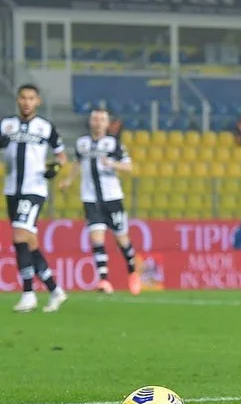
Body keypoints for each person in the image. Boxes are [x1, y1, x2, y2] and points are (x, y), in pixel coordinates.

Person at [1, 84, 68, 312]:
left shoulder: (45, 127)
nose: (27, 102)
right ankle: (55, 290)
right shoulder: (6, 125)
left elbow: (61, 154)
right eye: (23, 98)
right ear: (18, 100)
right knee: (29, 242)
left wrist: (56, 168)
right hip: (12, 189)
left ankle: (28, 293)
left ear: (37, 101)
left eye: (31, 98)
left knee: (19, 236)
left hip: (34, 188)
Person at [60, 108, 141, 295]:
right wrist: (68, 181)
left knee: (122, 240)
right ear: (90, 122)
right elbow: (78, 164)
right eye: (94, 119)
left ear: (106, 124)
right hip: (90, 198)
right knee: (96, 239)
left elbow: (129, 166)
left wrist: (112, 164)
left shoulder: (113, 144)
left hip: (112, 198)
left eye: (101, 119)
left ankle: (132, 272)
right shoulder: (82, 144)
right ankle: (104, 280)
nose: (97, 122)